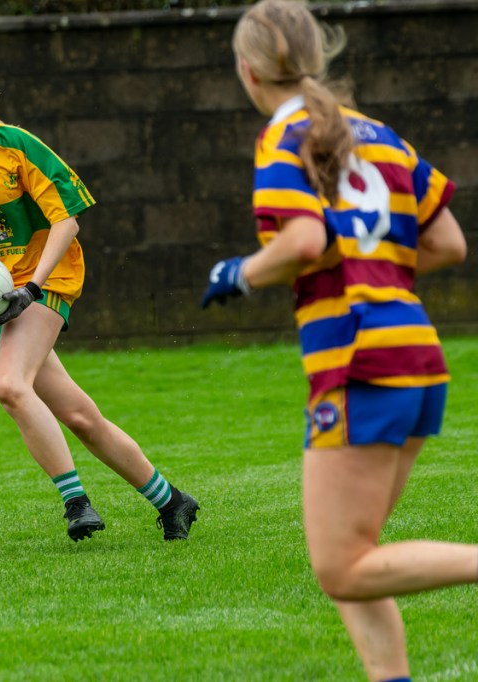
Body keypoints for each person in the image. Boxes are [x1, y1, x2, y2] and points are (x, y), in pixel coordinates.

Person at [201, 1, 476, 679]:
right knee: (357, 557)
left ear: (247, 71)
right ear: (315, 58)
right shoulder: (379, 134)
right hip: (414, 352)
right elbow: (448, 243)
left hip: (360, 360)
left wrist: (240, 273)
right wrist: (374, 265)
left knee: (343, 567)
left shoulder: (283, 138)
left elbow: (304, 240)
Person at [0, 57, 200, 543]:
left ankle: (76, 502)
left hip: (45, 278)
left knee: (10, 387)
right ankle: (172, 501)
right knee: (79, 416)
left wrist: (33, 287)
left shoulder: (17, 145)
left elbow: (66, 221)